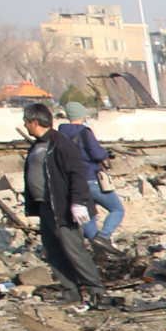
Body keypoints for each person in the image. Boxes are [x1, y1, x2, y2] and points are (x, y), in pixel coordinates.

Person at [16, 106, 106, 308]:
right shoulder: (37, 145)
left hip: (63, 208)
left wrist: (78, 202)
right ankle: (71, 292)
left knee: (74, 250)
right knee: (53, 252)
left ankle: (96, 291)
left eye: (26, 121)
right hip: (45, 207)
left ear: (34, 122)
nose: (24, 124)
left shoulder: (60, 143)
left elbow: (77, 174)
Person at [57, 102, 122, 243]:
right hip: (91, 179)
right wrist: (106, 154)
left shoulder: (59, 135)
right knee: (117, 209)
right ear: (83, 115)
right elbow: (97, 155)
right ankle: (103, 237)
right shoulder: (84, 132)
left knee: (89, 216)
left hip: (73, 183)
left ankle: (96, 244)